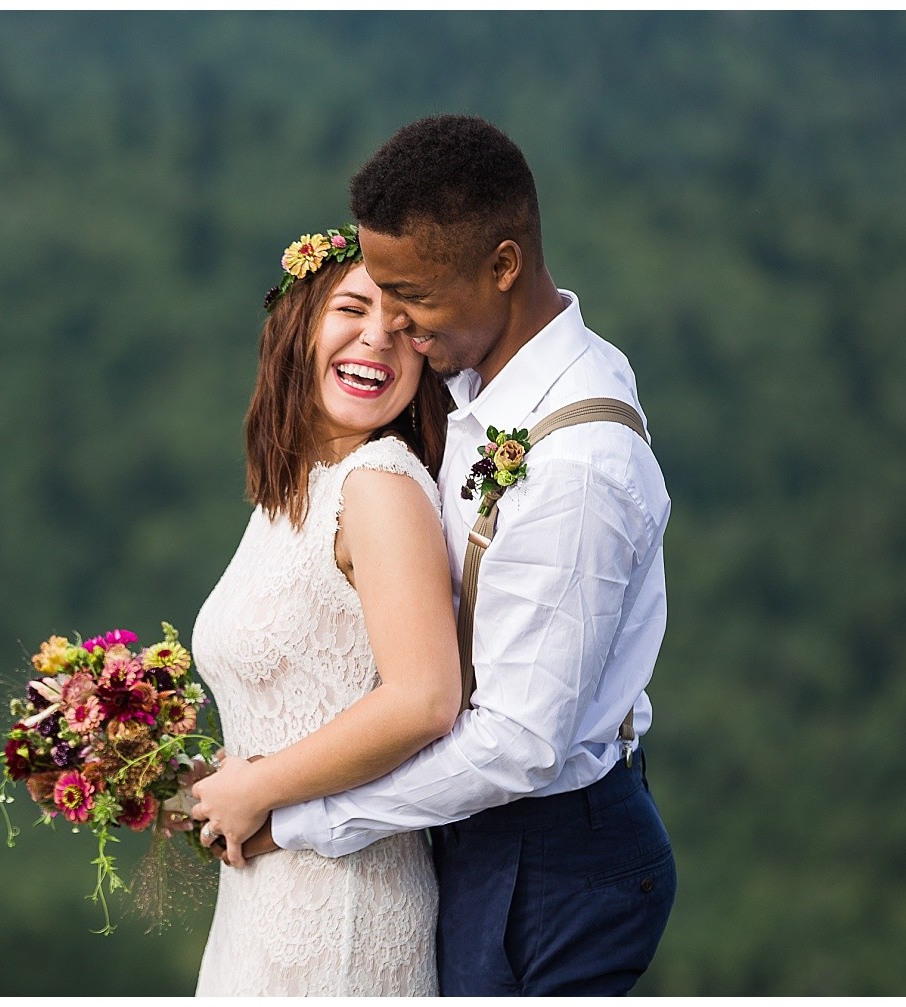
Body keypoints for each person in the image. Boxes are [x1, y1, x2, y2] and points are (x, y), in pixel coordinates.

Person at [195, 114, 677, 996]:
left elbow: (517, 746)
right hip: (471, 831)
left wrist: (301, 814)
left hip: (553, 853)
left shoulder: (575, 468)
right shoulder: (480, 373)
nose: (395, 328)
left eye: (409, 296)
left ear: (503, 266)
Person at [188, 223, 462, 996]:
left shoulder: (378, 484)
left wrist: (259, 787)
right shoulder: (294, 491)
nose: (378, 338)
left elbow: (425, 697)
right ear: (298, 324)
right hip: (260, 904)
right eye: (352, 308)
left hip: (344, 909)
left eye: (405, 326)